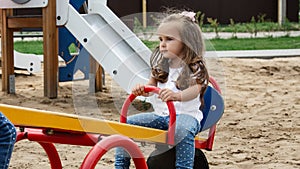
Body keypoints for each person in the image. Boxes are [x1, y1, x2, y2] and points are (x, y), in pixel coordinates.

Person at [115, 10, 209, 169]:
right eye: (160, 39)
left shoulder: (195, 67)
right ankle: (121, 166)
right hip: (161, 117)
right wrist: (140, 90)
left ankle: (183, 167)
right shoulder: (161, 67)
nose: (162, 44)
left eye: (169, 39)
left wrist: (177, 95)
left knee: (182, 130)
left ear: (187, 42)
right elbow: (149, 89)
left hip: (185, 117)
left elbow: (196, 90)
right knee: (126, 125)